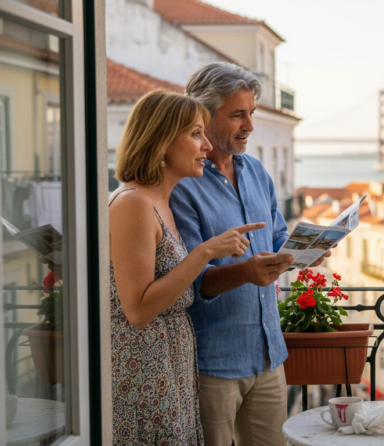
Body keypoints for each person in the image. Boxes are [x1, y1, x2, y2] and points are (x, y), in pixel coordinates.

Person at [170, 62, 331, 446]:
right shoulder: (183, 184)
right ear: (203, 116)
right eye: (237, 114)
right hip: (213, 364)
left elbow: (276, 238)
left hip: (269, 355)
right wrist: (244, 272)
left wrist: (305, 251)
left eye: (252, 113)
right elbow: (189, 280)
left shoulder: (257, 171)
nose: (250, 125)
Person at [109, 90, 265, 445]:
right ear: (161, 140)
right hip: (142, 373)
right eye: (196, 134)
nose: (207, 147)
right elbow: (138, 310)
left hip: (168, 367)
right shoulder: (133, 203)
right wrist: (205, 252)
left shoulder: (158, 202)